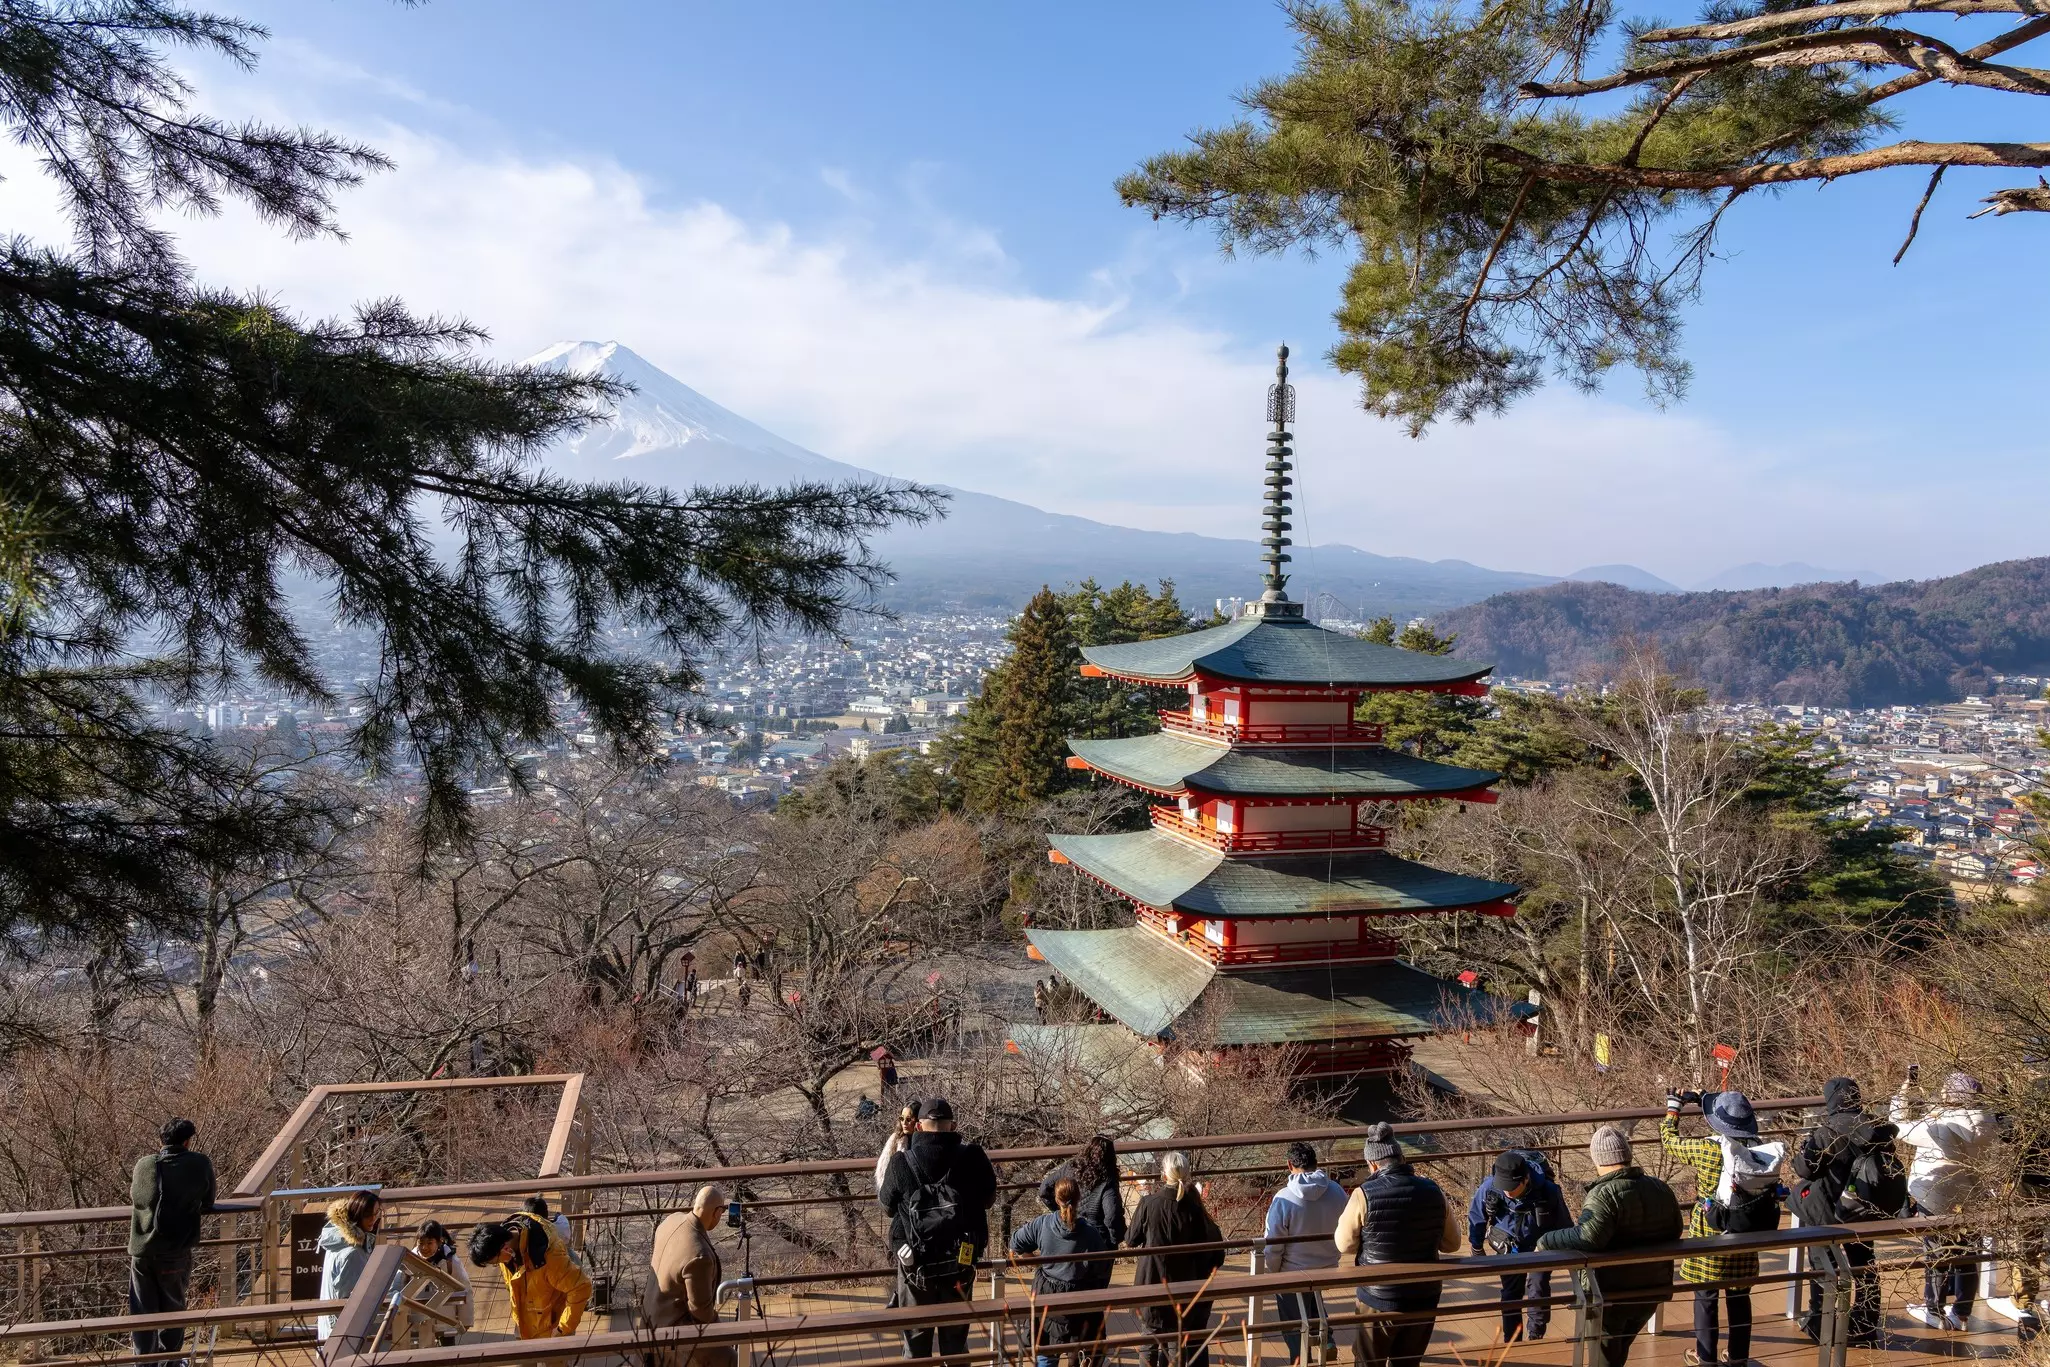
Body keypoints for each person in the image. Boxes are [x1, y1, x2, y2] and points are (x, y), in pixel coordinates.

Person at [1537, 1127, 1683, 1367]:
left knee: (1604, 1354)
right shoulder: (1660, 1188)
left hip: (1609, 1292)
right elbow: (1676, 1228)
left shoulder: (1603, 1194)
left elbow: (1589, 1236)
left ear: (1597, 1158)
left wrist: (1546, 1240)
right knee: (1618, 1349)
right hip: (1652, 1286)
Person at [1660, 1090, 1784, 1367]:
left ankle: (1706, 1358)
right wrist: (1705, 1097)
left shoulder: (1707, 1149)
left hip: (1709, 1232)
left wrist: (1673, 1108)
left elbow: (1669, 1141)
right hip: (1745, 1233)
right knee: (1740, 1295)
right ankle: (1738, 1357)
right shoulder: (1757, 1148)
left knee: (1706, 1296)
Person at [877, 1096, 999, 1361]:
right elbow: (989, 1200)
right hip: (960, 1264)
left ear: (918, 1128)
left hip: (915, 1267)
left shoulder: (901, 1162)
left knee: (916, 1346)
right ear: (952, 1126)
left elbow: (886, 1206)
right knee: (955, 1344)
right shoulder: (973, 1156)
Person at [1334, 1123, 1461, 1367]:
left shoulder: (1364, 1194)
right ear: (1402, 1158)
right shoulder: (1434, 1190)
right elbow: (1453, 1244)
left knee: (1369, 1362)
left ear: (1372, 1164)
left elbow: (1344, 1244)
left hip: (1379, 1297)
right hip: (1425, 1295)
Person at [1788, 1076, 1897, 1345]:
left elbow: (1805, 1169)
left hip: (1830, 1211)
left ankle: (1820, 1323)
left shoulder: (1827, 1132)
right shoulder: (1877, 1127)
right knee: (1865, 1264)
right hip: (1865, 1207)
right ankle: (1866, 1325)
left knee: (1822, 1265)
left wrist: (1802, 1151)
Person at [1893, 1069, 1997, 1330]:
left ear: (1950, 1095)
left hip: (1935, 1196)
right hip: (1972, 1194)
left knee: (1936, 1252)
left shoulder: (1934, 1125)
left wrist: (1903, 1092)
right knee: (1968, 1252)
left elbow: (1897, 1125)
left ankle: (1934, 1311)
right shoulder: (1988, 1122)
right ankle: (1962, 1314)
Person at [128, 1118, 217, 1366]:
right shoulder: (199, 1163)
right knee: (174, 1310)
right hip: (175, 1250)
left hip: (141, 1250)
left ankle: (145, 1363)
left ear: (161, 1140)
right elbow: (208, 1201)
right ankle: (172, 1361)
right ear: (188, 1141)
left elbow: (138, 1197)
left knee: (142, 1312)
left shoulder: (144, 1164)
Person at [1128, 1152, 1226, 1367]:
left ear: (1164, 1175)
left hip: (1151, 1279)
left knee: (1149, 1337)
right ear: (1187, 1174)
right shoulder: (1193, 1209)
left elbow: (1131, 1239)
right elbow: (1204, 1246)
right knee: (1176, 1340)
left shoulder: (1148, 1203)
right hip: (1183, 1282)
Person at [1467, 1148, 1573, 1343]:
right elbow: (1476, 1216)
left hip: (1541, 1246)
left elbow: (1565, 1225)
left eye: (1512, 1186)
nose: (1507, 1191)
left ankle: (1536, 1337)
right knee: (1510, 1294)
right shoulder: (1490, 1186)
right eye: (1504, 1186)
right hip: (1508, 1245)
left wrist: (1556, 1247)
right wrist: (1476, 1247)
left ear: (1526, 1179)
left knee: (1538, 1287)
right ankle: (1512, 1340)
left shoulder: (1548, 1191)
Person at [1010, 1176, 1115, 1367]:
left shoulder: (1042, 1224)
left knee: (1046, 1351)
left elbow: (1016, 1243)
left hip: (1047, 1297)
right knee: (1083, 1354)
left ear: (1057, 1200)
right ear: (1079, 1198)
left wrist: (1037, 1263)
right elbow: (1103, 1266)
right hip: (1081, 1303)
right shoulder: (1090, 1233)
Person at [1260, 1141, 1347, 1364]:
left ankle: (1300, 1356)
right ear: (1315, 1163)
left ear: (1290, 1165)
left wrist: (1273, 1272)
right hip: (1328, 1265)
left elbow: (1273, 1244)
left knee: (1291, 1311)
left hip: (1294, 1269)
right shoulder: (1337, 1191)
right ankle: (1327, 1340)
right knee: (1312, 1295)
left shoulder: (1284, 1198)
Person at [644, 1184, 737, 1367]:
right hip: (672, 1329)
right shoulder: (699, 1256)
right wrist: (722, 1332)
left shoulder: (671, 1220)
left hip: (649, 1314)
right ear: (717, 1212)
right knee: (729, 1358)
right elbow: (700, 1312)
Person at [469, 1206, 594, 1341]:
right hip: (524, 1322)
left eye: (495, 1262)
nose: (497, 1265)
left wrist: (563, 1328)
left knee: (554, 1361)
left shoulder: (548, 1257)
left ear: (505, 1248)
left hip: (552, 1327)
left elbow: (581, 1287)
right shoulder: (506, 1248)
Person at [316, 1190, 384, 1342]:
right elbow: (349, 1302)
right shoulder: (353, 1253)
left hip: (329, 1331)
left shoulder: (337, 1240)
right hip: (342, 1336)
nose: (373, 1219)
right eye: (368, 1214)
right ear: (357, 1214)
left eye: (376, 1213)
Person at [1038, 1135, 1128, 1246]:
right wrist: (1115, 1240)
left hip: (1068, 1236)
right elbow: (1112, 1216)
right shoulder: (1108, 1179)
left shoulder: (1071, 1166)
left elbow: (1044, 1189)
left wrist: (1062, 1211)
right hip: (1097, 1240)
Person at [411, 1219, 474, 1335]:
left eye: (429, 1243)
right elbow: (399, 1284)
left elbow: (465, 1289)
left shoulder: (451, 1262)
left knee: (447, 1346)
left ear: (439, 1242)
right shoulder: (411, 1260)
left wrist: (466, 1320)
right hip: (419, 1319)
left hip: (445, 1317)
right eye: (421, 1243)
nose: (424, 1247)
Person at [876, 1101, 920, 1192]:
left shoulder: (924, 1140)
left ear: (917, 1120)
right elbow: (883, 1170)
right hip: (900, 1195)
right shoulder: (895, 1140)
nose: (904, 1123)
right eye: (901, 1118)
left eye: (908, 1119)